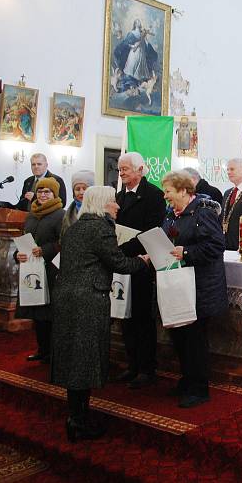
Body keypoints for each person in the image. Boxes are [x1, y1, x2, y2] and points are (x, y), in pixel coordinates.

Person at [51, 186, 147, 442]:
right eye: (114, 202)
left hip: (66, 299)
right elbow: (119, 264)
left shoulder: (75, 228)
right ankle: (79, 421)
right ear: (104, 204)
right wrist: (144, 261)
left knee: (74, 359)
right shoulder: (101, 229)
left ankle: (76, 416)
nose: (117, 207)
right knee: (85, 359)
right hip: (88, 301)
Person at [160, 171, 227, 408]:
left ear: (183, 191)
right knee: (180, 336)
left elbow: (216, 246)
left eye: (168, 191)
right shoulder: (171, 214)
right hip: (179, 285)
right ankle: (187, 381)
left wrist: (186, 252)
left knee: (195, 340)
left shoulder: (204, 212)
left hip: (201, 287)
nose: (165, 195)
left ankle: (199, 388)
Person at [114, 152, 166, 389]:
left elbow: (151, 230)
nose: (122, 173)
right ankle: (132, 364)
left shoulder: (154, 195)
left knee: (143, 318)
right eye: (120, 170)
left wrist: (123, 248)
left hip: (142, 263)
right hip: (123, 264)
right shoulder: (118, 196)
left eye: (125, 169)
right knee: (125, 316)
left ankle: (147, 367)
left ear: (140, 169)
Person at [15, 177, 65, 364]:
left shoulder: (61, 215)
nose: (43, 195)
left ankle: (55, 353)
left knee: (50, 313)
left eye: (47, 192)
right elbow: (23, 240)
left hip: (52, 270)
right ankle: (42, 350)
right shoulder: (31, 215)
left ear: (55, 194)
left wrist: (45, 250)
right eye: (40, 191)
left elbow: (65, 242)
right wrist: (18, 255)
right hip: (32, 269)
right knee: (37, 313)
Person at [61, 170, 95, 236]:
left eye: (85, 188)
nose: (81, 192)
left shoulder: (100, 210)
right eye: (77, 189)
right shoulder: (69, 213)